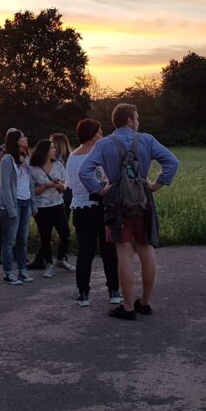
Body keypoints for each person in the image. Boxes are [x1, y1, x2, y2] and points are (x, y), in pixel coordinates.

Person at [79, 103, 179, 320]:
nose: (138, 121)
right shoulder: (147, 140)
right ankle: (145, 302)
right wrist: (155, 185)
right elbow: (172, 162)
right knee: (146, 250)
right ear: (130, 120)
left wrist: (100, 190)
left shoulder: (104, 144)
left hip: (116, 205)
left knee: (123, 253)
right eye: (137, 117)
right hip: (143, 201)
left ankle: (127, 307)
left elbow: (84, 171)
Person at [67, 119, 121, 307]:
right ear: (92, 135)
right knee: (109, 251)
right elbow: (106, 178)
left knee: (85, 252)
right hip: (101, 206)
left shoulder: (72, 157)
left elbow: (71, 185)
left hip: (81, 208)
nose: (102, 135)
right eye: (99, 132)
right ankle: (114, 291)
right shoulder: (99, 155)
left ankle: (83, 294)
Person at [29, 138, 73, 278]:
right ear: (45, 151)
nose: (55, 150)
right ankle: (48, 264)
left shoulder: (59, 165)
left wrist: (59, 185)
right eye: (52, 148)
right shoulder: (33, 169)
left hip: (58, 204)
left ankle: (61, 258)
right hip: (41, 208)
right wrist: (46, 186)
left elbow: (65, 185)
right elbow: (32, 192)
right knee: (45, 237)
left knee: (65, 234)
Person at [0, 129, 36, 285]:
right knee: (10, 241)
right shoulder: (7, 160)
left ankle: (22, 270)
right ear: (16, 141)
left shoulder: (25, 159)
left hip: (26, 203)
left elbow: (30, 182)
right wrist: (11, 209)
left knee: (23, 239)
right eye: (22, 137)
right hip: (12, 205)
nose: (25, 138)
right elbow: (5, 187)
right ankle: (8, 273)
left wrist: (33, 203)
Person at [0, 128, 19, 264]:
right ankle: (1, 253)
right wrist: (5, 169)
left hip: (17, 195)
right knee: (3, 226)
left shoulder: (21, 154)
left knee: (17, 227)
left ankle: (16, 253)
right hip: (1, 194)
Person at [50, 132, 74, 223]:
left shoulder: (68, 159)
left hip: (65, 191)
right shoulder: (53, 159)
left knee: (63, 218)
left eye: (51, 142)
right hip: (57, 191)